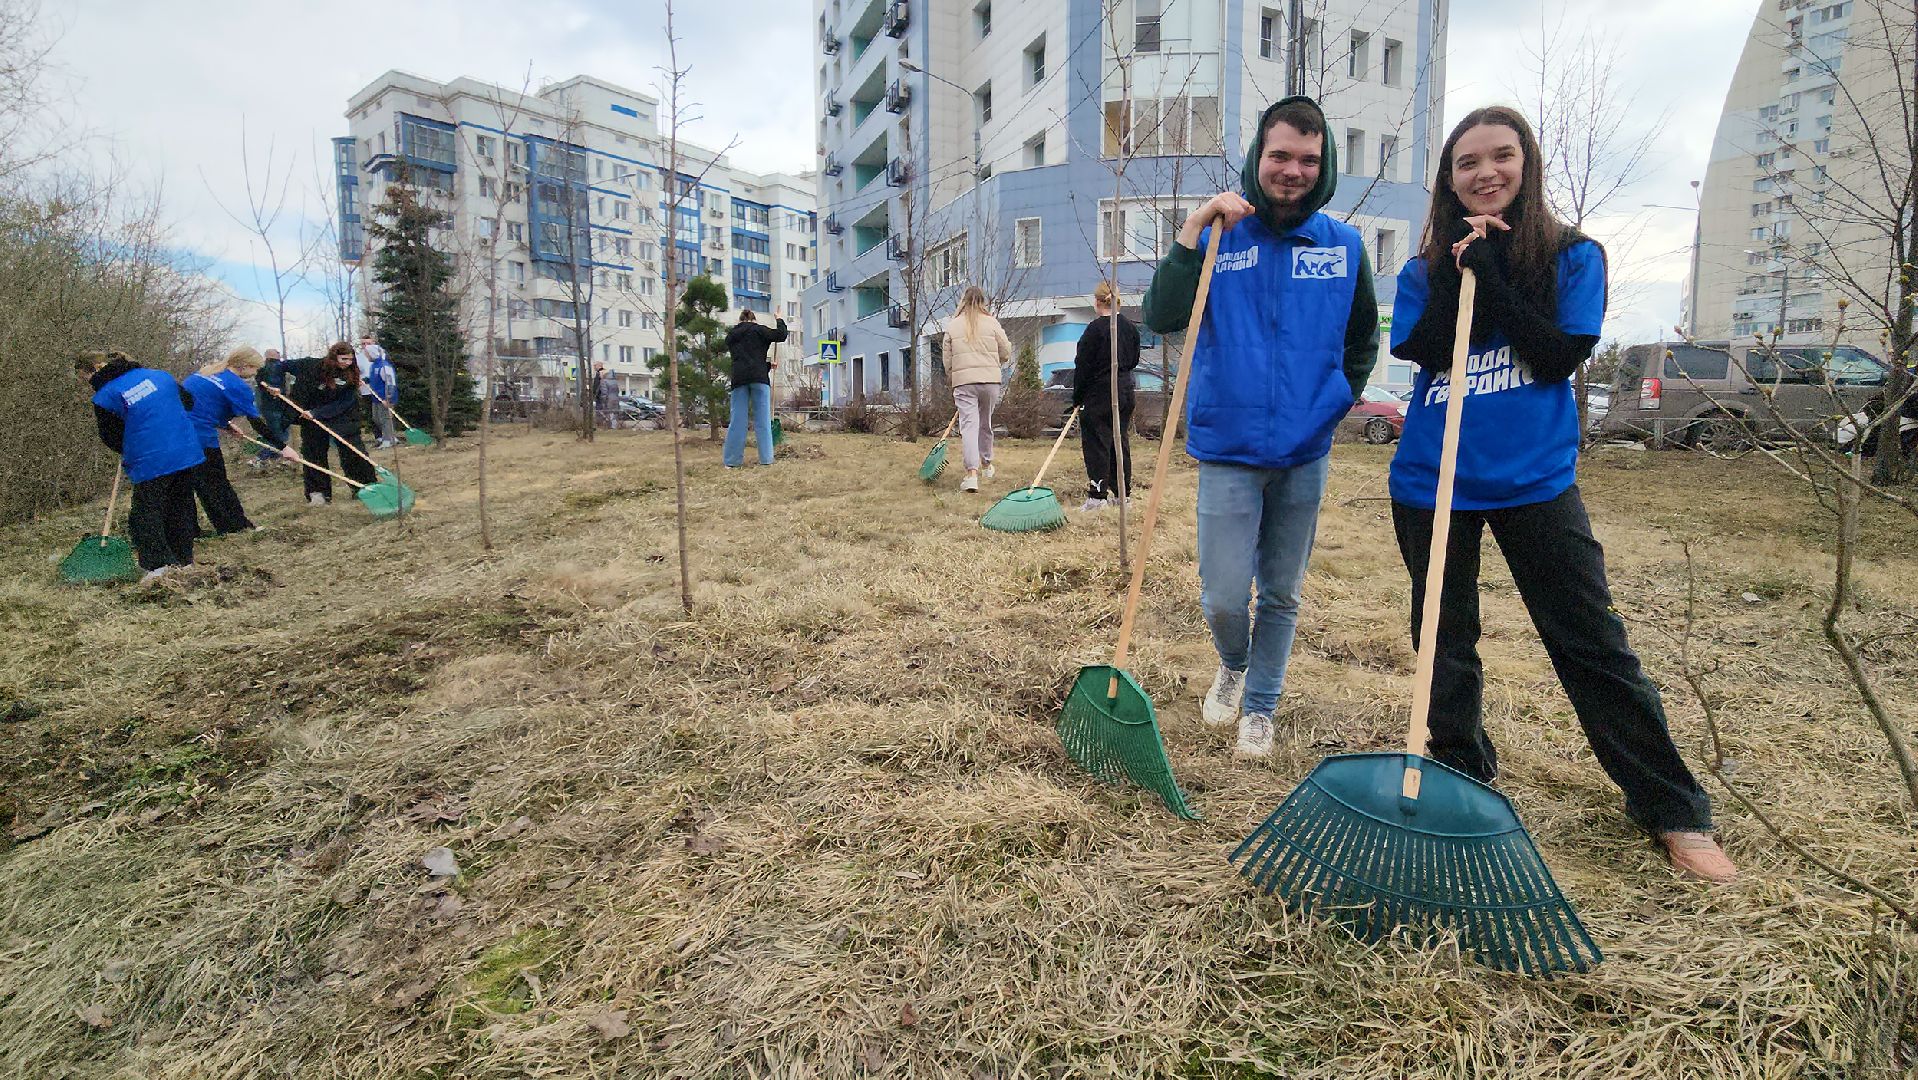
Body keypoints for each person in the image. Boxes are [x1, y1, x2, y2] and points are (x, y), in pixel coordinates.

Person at [1386, 106, 1733, 882]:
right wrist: (1457, 268)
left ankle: (1672, 809)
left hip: (1533, 482)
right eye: (1467, 162)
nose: (1485, 173)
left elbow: (1555, 356)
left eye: (1500, 157)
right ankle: (1462, 772)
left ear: (1525, 163)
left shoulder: (1574, 256)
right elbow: (1425, 347)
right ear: (1449, 179)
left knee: (1589, 642)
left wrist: (1499, 276)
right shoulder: (1423, 269)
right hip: (1431, 481)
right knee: (1442, 640)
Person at [1140, 96, 1379, 758]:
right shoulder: (1222, 237)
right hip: (1228, 447)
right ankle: (1234, 665)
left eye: (1308, 159)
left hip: (1305, 452)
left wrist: (1336, 401)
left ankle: (1262, 708)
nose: (1292, 170)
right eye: (1280, 155)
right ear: (1258, 158)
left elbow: (1363, 342)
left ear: (1322, 166)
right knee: (1221, 594)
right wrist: (1193, 228)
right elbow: (1161, 314)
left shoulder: (1344, 246)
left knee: (1280, 591)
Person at [76, 350, 206, 584]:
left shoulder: (105, 396)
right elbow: (188, 402)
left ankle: (157, 565)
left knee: (146, 513)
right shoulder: (160, 376)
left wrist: (127, 445)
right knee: (180, 505)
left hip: (151, 457)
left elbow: (111, 436)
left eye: (83, 378)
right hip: (185, 449)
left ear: (92, 371)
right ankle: (183, 559)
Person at [183, 346, 293, 535]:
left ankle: (190, 531)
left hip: (175, 433)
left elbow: (201, 404)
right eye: (255, 369)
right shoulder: (237, 386)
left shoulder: (204, 374)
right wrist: (283, 447)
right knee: (217, 483)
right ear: (245, 366)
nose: (255, 374)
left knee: (190, 483)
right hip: (200, 438)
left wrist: (226, 424)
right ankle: (236, 527)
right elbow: (257, 422)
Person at [1072, 280, 1141, 512]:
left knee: (1097, 442)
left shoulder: (1094, 330)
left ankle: (1098, 495)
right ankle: (1123, 494)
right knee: (1120, 441)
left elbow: (1082, 366)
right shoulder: (1130, 328)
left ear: (1097, 302)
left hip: (1098, 394)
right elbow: (1133, 360)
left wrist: (1077, 397)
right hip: (1125, 390)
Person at [943, 286, 1013, 493]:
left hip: (964, 382)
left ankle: (971, 474)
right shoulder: (991, 323)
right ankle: (987, 464)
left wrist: (954, 376)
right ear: (983, 302)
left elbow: (947, 361)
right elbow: (1006, 350)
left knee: (969, 427)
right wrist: (995, 362)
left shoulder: (953, 326)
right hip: (990, 381)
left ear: (963, 301)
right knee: (985, 423)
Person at [291, 341, 379, 505]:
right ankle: (318, 493)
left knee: (354, 452)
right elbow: (294, 383)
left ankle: (365, 487)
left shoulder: (351, 373)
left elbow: (346, 401)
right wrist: (302, 411)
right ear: (334, 357)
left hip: (344, 416)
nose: (347, 362)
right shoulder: (313, 368)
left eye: (350, 359)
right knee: (313, 453)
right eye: (344, 358)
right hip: (311, 417)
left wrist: (319, 413)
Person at [722, 309, 788, 467]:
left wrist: (766, 365)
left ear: (740, 320)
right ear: (754, 320)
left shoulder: (732, 336)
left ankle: (732, 461)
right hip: (759, 379)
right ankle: (766, 459)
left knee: (738, 421)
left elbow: (744, 358)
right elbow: (781, 335)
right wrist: (779, 319)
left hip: (739, 379)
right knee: (762, 421)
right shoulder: (759, 330)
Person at [251, 348, 294, 469]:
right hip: (275, 407)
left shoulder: (260, 369)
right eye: (278, 354)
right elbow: (274, 387)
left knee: (273, 433)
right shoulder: (275, 367)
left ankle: (275, 459)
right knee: (280, 435)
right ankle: (261, 458)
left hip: (265, 408)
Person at [356, 332, 393, 447]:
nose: (365, 345)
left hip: (380, 390)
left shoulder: (380, 355)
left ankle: (389, 436)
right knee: (372, 415)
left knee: (384, 414)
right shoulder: (358, 357)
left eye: (368, 343)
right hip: (366, 390)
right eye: (363, 343)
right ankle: (379, 437)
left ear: (373, 343)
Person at [365, 343, 398, 447]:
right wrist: (364, 380)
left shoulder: (384, 366)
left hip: (385, 398)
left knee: (385, 418)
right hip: (375, 398)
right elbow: (374, 379)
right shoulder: (373, 366)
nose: (366, 356)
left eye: (367, 354)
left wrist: (388, 398)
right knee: (376, 419)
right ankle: (391, 437)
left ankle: (388, 440)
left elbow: (390, 382)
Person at [593, 362, 620, 430]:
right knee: (614, 413)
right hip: (615, 399)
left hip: (608, 399)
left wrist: (603, 400)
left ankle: (607, 426)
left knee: (607, 412)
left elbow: (604, 392)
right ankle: (614, 426)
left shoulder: (604, 381)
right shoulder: (614, 381)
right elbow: (617, 391)